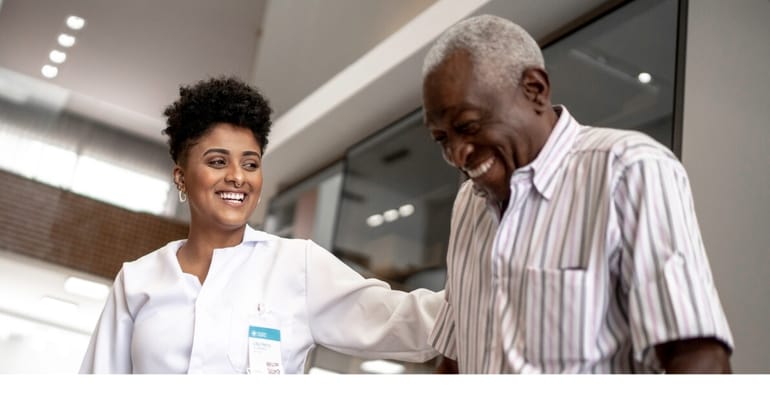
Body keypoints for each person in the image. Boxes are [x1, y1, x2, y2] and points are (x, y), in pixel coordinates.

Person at [421, 15, 733, 373]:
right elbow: (456, 358)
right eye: (442, 139)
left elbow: (699, 358)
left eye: (469, 127)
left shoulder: (628, 169)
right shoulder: (467, 205)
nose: (458, 155)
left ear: (535, 90)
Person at [79, 76, 443, 374]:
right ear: (181, 177)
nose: (238, 177)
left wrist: (488, 295)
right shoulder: (137, 281)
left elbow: (401, 321)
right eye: (218, 162)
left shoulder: (296, 266)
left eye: (250, 164)